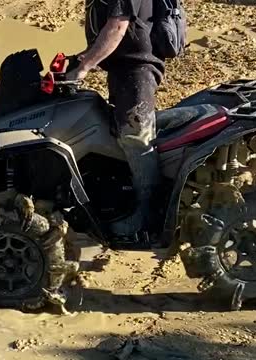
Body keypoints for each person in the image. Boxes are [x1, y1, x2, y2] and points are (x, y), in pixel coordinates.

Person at [68, 0, 166, 244]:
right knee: (114, 132)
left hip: (137, 68)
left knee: (135, 135)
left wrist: (85, 66)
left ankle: (147, 217)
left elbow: (117, 27)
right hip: (122, 70)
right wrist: (79, 59)